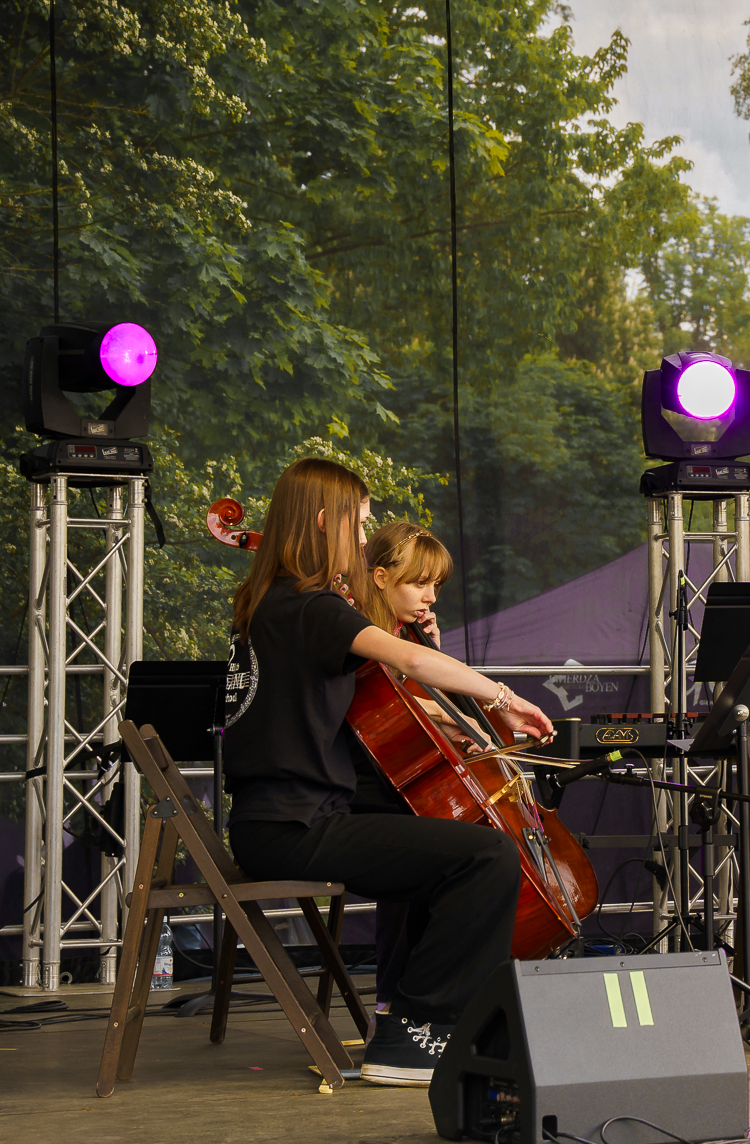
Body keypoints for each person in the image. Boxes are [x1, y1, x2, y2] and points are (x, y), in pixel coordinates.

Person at [223, 459, 556, 1086]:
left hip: (283, 819)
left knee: (442, 844)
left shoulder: (270, 603)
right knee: (486, 856)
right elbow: (405, 658)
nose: (361, 537)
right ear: (326, 523)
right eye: (360, 524)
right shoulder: (310, 606)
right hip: (295, 827)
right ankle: (415, 1035)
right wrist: (501, 697)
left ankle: (412, 1018)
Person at [351, 520, 477, 1014]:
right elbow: (388, 707)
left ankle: (442, 991)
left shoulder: (407, 632)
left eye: (435, 586)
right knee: (425, 842)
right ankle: (399, 999)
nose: (429, 596)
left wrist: (433, 654)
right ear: (380, 577)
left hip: (394, 778)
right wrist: (450, 713)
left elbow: (417, 702)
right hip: (361, 787)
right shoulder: (356, 628)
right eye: (417, 583)